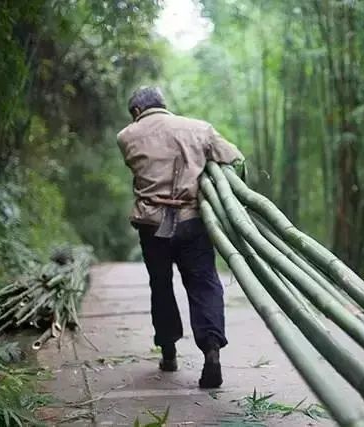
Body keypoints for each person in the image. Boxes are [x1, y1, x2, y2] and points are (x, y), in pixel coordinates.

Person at [117, 86, 244, 388]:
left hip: (153, 225)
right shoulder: (199, 128)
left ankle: (169, 352)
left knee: (160, 286)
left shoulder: (126, 136)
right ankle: (211, 352)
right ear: (163, 104)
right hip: (192, 221)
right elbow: (234, 158)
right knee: (204, 283)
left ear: (137, 112)